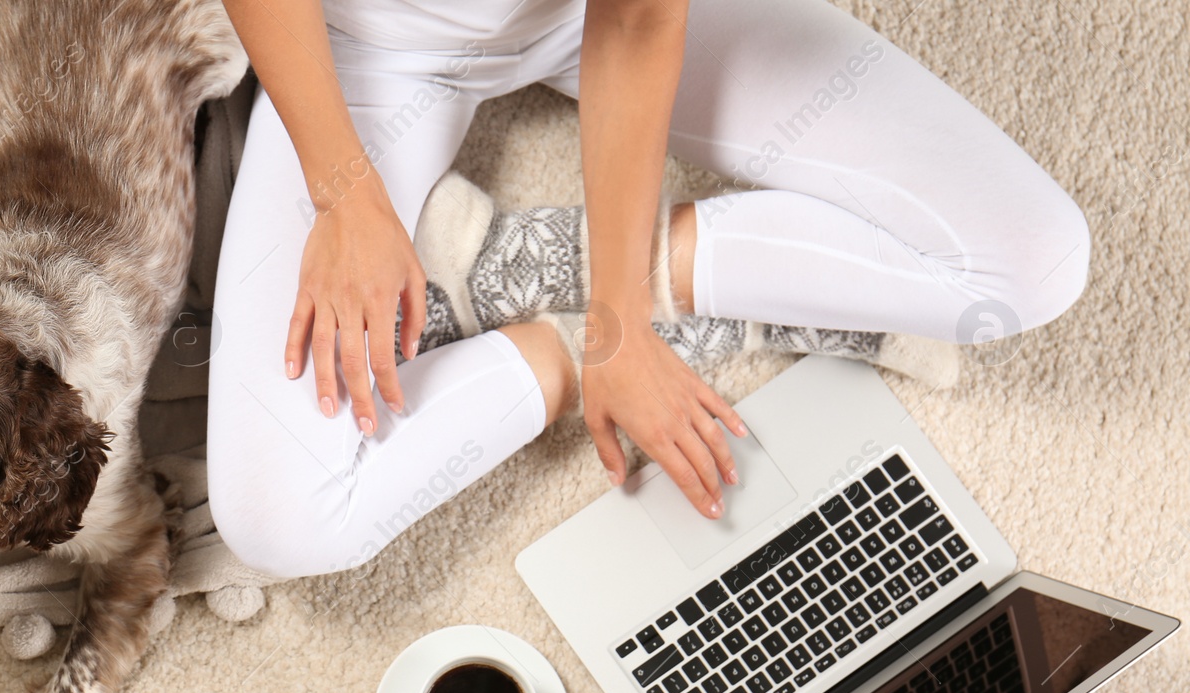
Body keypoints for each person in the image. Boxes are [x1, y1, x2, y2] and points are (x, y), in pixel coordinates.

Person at [207, 0, 1090, 580]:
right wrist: (345, 194)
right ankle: (545, 326)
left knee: (1032, 263)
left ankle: (539, 264)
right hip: (369, 47)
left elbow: (634, 22)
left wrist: (622, 325)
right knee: (282, 520)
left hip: (590, 18)